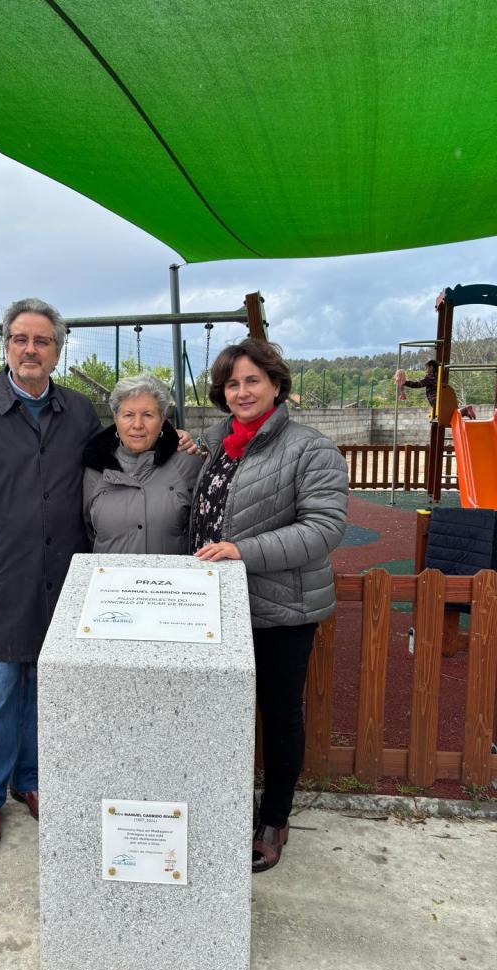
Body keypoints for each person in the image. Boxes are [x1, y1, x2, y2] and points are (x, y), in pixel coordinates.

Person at [0, 297, 101, 851]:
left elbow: (119, 461)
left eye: (42, 341)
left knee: (45, 687)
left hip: (65, 577)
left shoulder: (79, 412)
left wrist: (181, 445)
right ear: (6, 345)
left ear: (58, 350)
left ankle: (30, 780)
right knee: (1, 691)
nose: (31, 350)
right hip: (2, 578)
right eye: (21, 339)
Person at [191, 339, 348, 872]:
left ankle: (274, 817)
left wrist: (241, 551)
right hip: (218, 606)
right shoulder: (218, 444)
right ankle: (222, 805)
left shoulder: (310, 448)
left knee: (278, 714)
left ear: (277, 385)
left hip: (280, 608)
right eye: (232, 384)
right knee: (220, 712)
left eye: (252, 381)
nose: (241, 392)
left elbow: (323, 528)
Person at [83, 374, 201, 554]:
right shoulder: (95, 469)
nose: (137, 425)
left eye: (148, 415)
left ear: (162, 420)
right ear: (116, 418)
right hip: (109, 573)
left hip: (172, 572)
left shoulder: (187, 461)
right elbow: (88, 531)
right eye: (128, 415)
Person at [395, 360, 475, 418]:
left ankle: (465, 411)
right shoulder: (439, 375)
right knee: (450, 416)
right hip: (442, 399)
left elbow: (417, 384)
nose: (426, 370)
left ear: (431, 367)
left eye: (426, 368)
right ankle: (465, 411)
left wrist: (405, 382)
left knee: (448, 417)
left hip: (436, 400)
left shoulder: (431, 377)